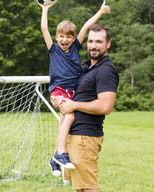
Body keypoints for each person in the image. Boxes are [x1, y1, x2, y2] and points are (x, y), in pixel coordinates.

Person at [39, 1, 110, 177]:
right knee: (69, 116)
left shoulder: (75, 47)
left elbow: (86, 25)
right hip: (59, 91)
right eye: (61, 36)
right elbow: (43, 29)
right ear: (57, 37)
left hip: (73, 93)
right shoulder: (53, 49)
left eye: (69, 37)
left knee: (64, 123)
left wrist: (100, 12)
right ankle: (60, 154)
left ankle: (53, 159)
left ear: (73, 38)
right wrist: (45, 9)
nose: (65, 40)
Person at [51, 24, 119, 191]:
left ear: (108, 44)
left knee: (88, 187)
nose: (93, 45)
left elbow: (106, 106)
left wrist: (74, 105)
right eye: (90, 41)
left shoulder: (106, 70)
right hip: (74, 135)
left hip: (86, 136)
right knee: (80, 187)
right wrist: (59, 100)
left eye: (99, 41)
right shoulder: (86, 68)